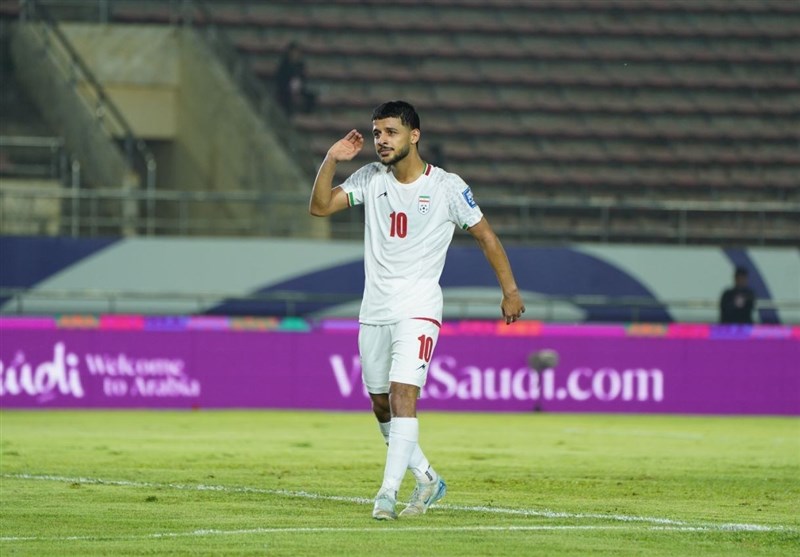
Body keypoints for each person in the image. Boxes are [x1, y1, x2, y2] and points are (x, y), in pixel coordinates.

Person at [309, 101, 526, 520]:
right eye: (377, 133)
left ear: (414, 135)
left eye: (390, 132)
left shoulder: (446, 186)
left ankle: (386, 494)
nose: (381, 141)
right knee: (381, 405)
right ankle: (427, 477)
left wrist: (510, 291)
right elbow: (319, 207)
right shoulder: (370, 178)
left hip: (419, 307)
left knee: (402, 394)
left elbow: (486, 236)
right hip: (375, 308)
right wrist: (331, 159)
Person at [275, 41, 316, 116]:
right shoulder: (284, 65)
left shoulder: (300, 65)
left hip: (299, 90)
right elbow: (280, 80)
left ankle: (306, 114)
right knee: (286, 99)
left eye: (297, 53)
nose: (295, 55)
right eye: (293, 52)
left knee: (311, 97)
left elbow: (303, 79)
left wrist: (298, 91)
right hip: (286, 90)